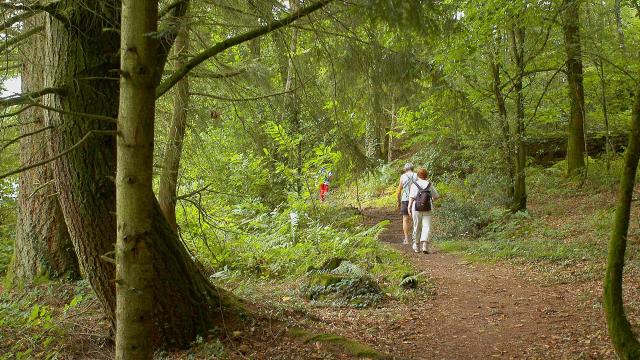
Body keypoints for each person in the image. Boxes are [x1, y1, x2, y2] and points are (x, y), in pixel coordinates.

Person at [408, 168, 439, 253]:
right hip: (428, 208)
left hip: (416, 208)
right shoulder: (429, 184)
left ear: (417, 175)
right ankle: (425, 245)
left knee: (417, 226)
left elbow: (411, 197)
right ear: (426, 176)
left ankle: (417, 246)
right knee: (427, 226)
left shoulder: (414, 184)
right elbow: (436, 196)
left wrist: (409, 207)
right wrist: (429, 199)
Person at [396, 163, 416, 245]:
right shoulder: (416, 175)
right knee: (415, 219)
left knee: (405, 219)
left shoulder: (403, 176)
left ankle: (406, 239)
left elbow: (399, 190)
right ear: (412, 168)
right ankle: (415, 238)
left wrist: (398, 201)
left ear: (405, 169)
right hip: (415, 199)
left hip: (405, 200)